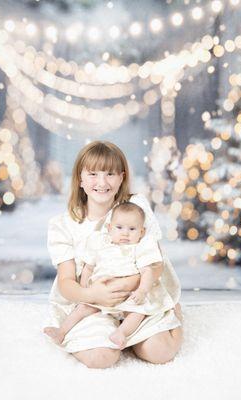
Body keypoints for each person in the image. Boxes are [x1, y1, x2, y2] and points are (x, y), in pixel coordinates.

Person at [45, 140, 183, 368]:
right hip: (92, 300)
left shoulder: (135, 207)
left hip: (139, 294)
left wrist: (131, 284)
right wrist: (94, 295)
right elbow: (66, 283)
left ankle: (154, 325)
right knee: (101, 358)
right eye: (93, 174)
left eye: (110, 174)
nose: (102, 182)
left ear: (121, 178)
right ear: (80, 179)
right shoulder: (63, 224)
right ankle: (108, 334)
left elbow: (155, 263)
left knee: (160, 352)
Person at [44, 202, 175, 349]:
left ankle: (121, 333)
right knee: (81, 309)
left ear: (142, 232)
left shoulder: (139, 248)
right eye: (119, 228)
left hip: (128, 296)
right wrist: (86, 290)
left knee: (138, 312)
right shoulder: (100, 244)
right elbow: (88, 267)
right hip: (100, 295)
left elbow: (148, 272)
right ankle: (61, 332)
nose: (125, 233)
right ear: (109, 228)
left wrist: (141, 291)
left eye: (132, 229)